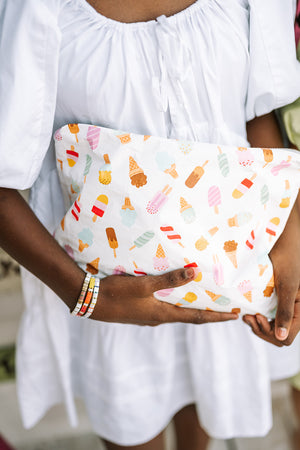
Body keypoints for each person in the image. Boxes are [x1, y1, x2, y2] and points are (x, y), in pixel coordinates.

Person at [0, 1, 300, 449]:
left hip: (226, 273)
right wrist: (88, 297)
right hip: (110, 295)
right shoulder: (33, 9)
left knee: (205, 402)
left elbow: (257, 107)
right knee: (134, 424)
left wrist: (291, 235)